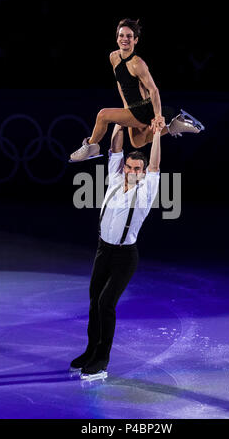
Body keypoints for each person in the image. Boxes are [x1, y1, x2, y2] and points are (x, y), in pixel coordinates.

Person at [70, 119, 164, 380]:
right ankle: (90, 351)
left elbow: (156, 164)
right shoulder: (114, 178)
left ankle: (102, 359)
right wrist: (120, 122)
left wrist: (156, 135)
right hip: (103, 251)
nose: (134, 171)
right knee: (93, 302)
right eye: (130, 167)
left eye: (138, 168)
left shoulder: (146, 192)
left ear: (143, 172)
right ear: (125, 168)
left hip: (125, 257)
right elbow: (115, 149)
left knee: (105, 303)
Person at [69, 18, 204, 163]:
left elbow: (154, 90)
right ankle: (175, 126)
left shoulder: (138, 63)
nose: (124, 39)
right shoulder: (113, 57)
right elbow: (121, 84)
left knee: (103, 115)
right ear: (117, 38)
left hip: (143, 109)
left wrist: (158, 116)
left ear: (136, 40)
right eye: (121, 35)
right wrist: (125, 106)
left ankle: (91, 146)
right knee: (138, 142)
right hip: (132, 108)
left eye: (129, 36)